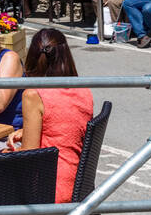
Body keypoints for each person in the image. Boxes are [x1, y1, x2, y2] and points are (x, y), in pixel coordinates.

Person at [11, 29, 93, 203]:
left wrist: (9, 152)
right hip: (79, 186)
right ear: (66, 55)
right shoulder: (83, 90)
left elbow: (29, 157)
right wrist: (27, 131)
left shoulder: (33, 95)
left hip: (48, 189)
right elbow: (65, 129)